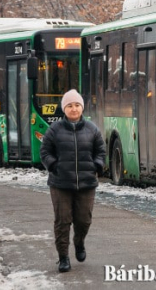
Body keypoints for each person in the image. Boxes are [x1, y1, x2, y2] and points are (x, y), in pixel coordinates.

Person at [40, 89, 105, 273]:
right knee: (63, 221)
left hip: (86, 183)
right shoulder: (54, 130)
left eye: (77, 105)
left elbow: (100, 151)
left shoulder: (92, 129)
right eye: (69, 106)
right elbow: (45, 151)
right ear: (64, 109)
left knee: (83, 220)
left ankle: (79, 242)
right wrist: (54, 166)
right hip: (60, 184)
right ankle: (63, 258)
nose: (74, 109)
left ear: (82, 107)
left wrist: (97, 165)